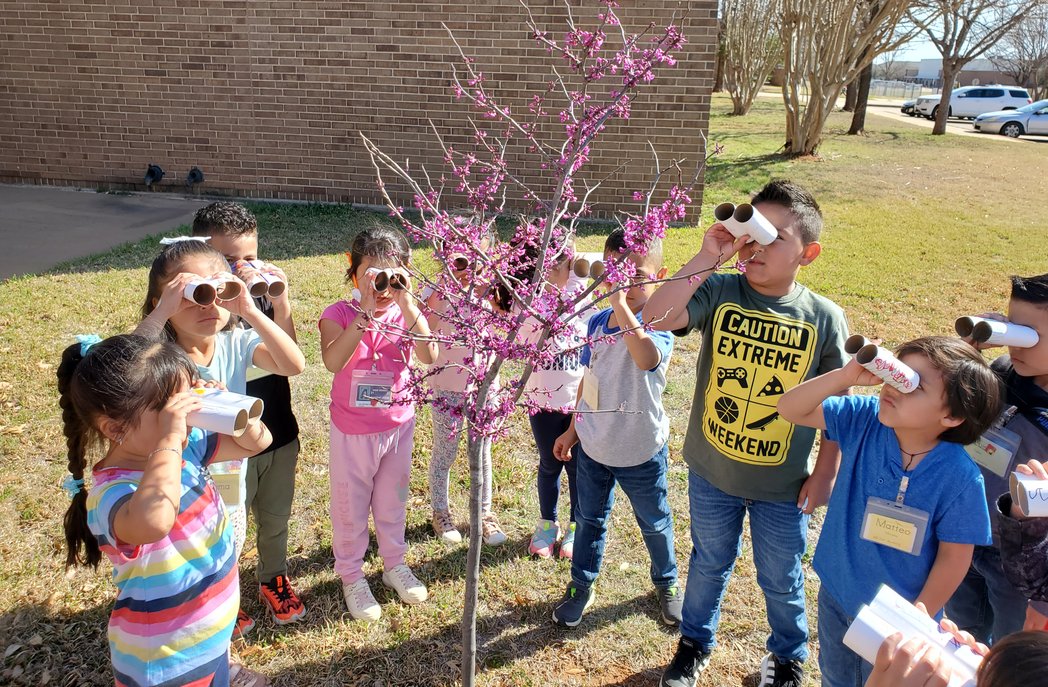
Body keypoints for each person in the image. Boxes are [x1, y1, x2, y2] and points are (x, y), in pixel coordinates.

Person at [646, 180, 848, 687]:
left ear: (809, 254)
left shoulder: (824, 319)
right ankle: (694, 642)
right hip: (713, 471)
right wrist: (708, 255)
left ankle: (786, 657)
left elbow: (839, 410)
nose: (756, 247)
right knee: (708, 563)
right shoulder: (719, 289)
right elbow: (655, 316)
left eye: (774, 237)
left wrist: (824, 475)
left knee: (781, 578)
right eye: (751, 231)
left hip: (782, 485)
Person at [777, 336, 1001, 687]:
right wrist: (844, 377)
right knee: (835, 677)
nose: (894, 388)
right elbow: (790, 408)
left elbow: (955, 556)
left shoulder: (960, 477)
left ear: (953, 415)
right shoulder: (865, 419)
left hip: (897, 621)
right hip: (837, 592)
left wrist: (918, 615)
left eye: (913, 385)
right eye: (898, 375)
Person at [58, 334, 272, 687]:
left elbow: (258, 442)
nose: (185, 415)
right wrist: (170, 440)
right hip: (166, 662)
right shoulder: (112, 493)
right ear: (115, 428)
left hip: (212, 638)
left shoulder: (184, 448)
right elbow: (156, 520)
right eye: (171, 410)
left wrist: (226, 406)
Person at [135, 237, 305, 638]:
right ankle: (198, 609)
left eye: (218, 290)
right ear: (166, 300)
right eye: (193, 293)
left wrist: (248, 309)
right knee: (186, 552)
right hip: (180, 475)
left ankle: (225, 601)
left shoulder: (236, 341)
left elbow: (293, 364)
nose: (208, 304)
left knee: (229, 540)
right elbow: (127, 366)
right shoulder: (158, 352)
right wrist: (162, 310)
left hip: (231, 471)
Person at [549, 229, 683, 629]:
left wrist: (622, 307)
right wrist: (573, 430)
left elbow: (645, 359)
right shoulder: (594, 324)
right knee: (589, 520)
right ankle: (581, 584)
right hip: (594, 449)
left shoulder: (662, 323)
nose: (624, 284)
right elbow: (589, 381)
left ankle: (667, 582)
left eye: (637, 275)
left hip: (641, 451)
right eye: (617, 273)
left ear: (661, 274)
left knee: (654, 523)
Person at [191, 202, 307, 631]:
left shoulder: (257, 295)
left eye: (249, 257)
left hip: (278, 429)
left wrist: (281, 300)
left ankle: (273, 576)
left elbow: (290, 358)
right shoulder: (201, 315)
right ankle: (224, 588)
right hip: (223, 445)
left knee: (275, 516)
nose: (242, 269)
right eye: (229, 260)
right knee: (224, 523)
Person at [319, 222, 438, 621]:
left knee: (393, 501)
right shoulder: (338, 313)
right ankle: (351, 574)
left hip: (398, 425)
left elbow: (430, 356)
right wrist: (365, 313)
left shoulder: (406, 314)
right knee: (351, 507)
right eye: (374, 277)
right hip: (353, 432)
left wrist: (407, 305)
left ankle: (394, 564)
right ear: (353, 274)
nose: (383, 287)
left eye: (393, 277)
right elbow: (333, 361)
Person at [946, 272, 1048, 642]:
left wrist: (1043, 603)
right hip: (965, 533)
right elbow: (947, 409)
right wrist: (969, 354)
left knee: (1009, 648)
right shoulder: (1003, 373)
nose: (1015, 345)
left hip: (1021, 564)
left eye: (1029, 335)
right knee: (959, 633)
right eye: (1011, 329)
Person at [424, 243, 506, 547]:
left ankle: (484, 514)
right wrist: (442, 289)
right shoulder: (434, 289)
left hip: (484, 386)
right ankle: (440, 511)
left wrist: (493, 292)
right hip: (447, 385)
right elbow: (425, 329)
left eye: (473, 260)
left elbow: (507, 324)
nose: (465, 269)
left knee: (483, 451)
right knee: (444, 451)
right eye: (458, 261)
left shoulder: (489, 289)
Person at [520, 241, 590, 560]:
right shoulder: (530, 305)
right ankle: (548, 524)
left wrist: (574, 265)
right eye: (540, 270)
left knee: (576, 467)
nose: (547, 276)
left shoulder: (581, 298)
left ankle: (576, 526)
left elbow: (583, 271)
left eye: (554, 267)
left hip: (576, 403)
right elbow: (522, 340)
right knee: (549, 463)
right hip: (542, 403)